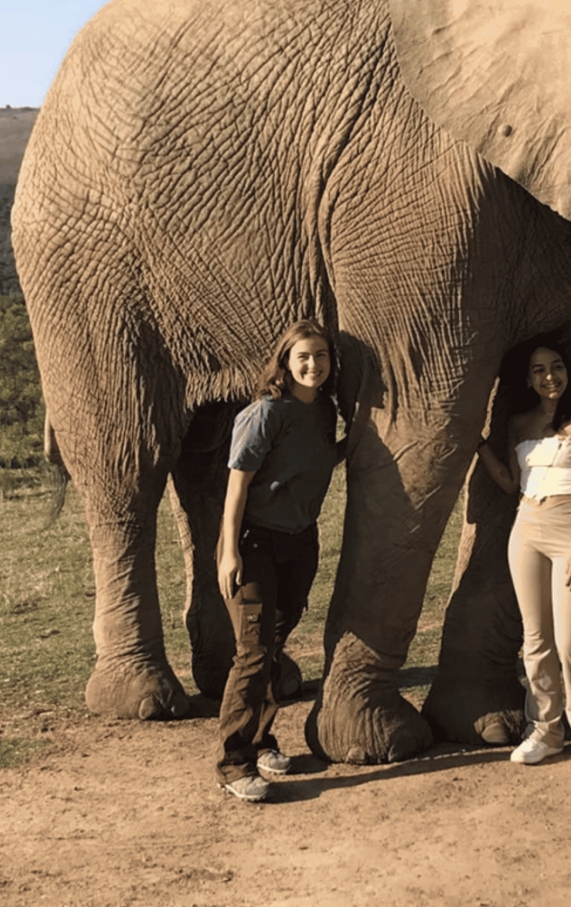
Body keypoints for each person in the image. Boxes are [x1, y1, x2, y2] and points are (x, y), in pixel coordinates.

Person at [215, 320, 342, 803]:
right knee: (252, 652)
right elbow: (237, 486)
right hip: (253, 543)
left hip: (300, 542)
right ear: (285, 362)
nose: (313, 365)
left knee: (272, 645)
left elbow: (316, 459)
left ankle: (261, 740)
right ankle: (233, 763)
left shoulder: (324, 410)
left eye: (321, 356)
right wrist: (229, 552)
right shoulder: (265, 412)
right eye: (303, 356)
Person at [475, 341, 571, 777]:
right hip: (527, 529)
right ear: (528, 378)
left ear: (568, 371)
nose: (549, 376)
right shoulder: (519, 423)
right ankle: (546, 732)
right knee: (535, 640)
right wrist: (478, 444)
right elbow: (509, 481)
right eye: (538, 370)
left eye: (556, 367)